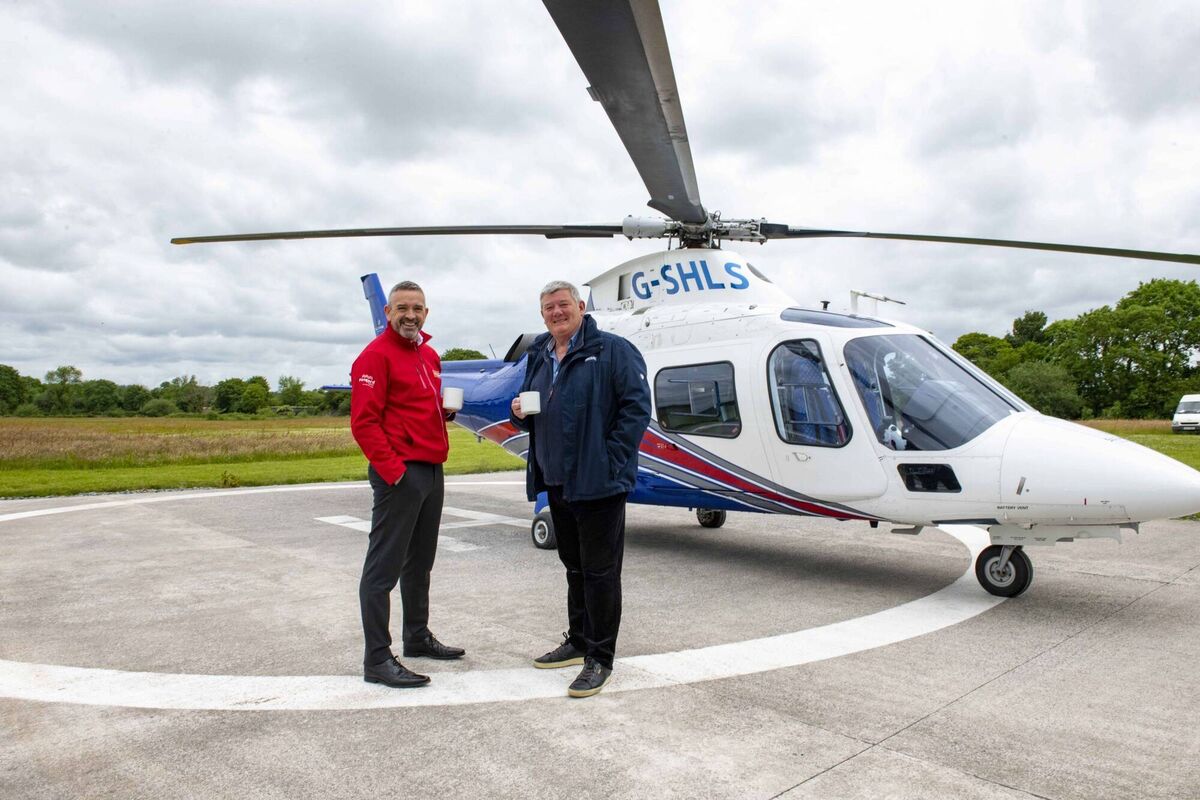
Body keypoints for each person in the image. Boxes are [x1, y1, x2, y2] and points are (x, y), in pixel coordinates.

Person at [510, 280, 651, 697]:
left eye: (562, 304)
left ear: (580, 306)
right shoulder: (539, 356)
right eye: (548, 308)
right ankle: (578, 640)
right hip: (555, 480)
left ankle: (600, 658)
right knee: (574, 566)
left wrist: (609, 460)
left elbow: (636, 407)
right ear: (542, 315)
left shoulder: (611, 350)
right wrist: (518, 412)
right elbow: (530, 407)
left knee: (601, 572)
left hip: (598, 483)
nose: (556, 312)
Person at [350, 280, 465, 689]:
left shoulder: (428, 354)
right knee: (383, 570)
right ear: (388, 313)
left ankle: (416, 637)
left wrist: (444, 416)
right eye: (402, 308)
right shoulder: (374, 356)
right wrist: (394, 472)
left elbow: (419, 408)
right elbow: (364, 422)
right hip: (400, 472)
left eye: (417, 308)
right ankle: (377, 659)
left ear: (426, 313)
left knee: (420, 564)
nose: (410, 315)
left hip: (432, 470)